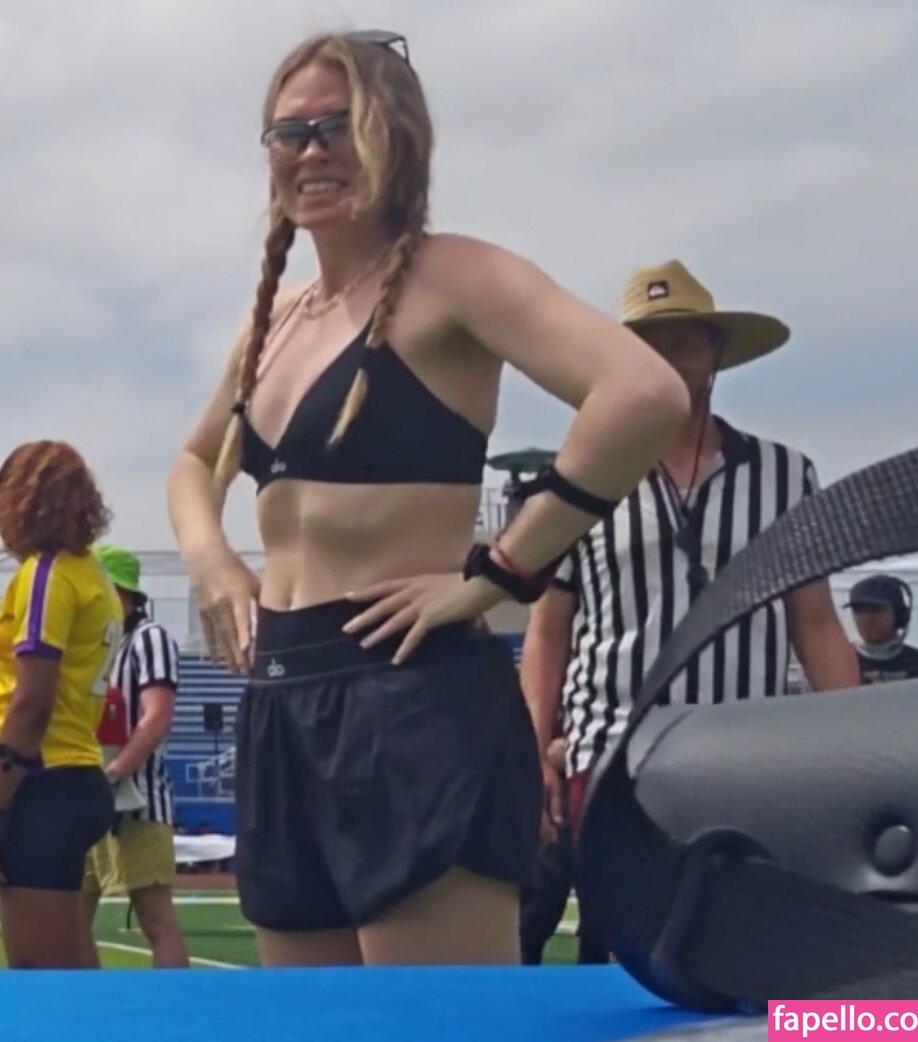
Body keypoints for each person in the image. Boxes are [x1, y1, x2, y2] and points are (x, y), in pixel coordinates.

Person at [166, 29, 691, 967]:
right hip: (281, 703)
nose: (312, 151)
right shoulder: (276, 319)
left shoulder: (454, 276)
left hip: (411, 700)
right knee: (310, 1029)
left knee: (433, 1022)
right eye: (290, 133)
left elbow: (642, 393)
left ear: (397, 138)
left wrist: (499, 572)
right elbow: (192, 461)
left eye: (339, 126)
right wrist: (212, 560)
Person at [520, 258, 861, 961]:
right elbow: (548, 630)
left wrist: (852, 749)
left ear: (715, 351)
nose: (667, 359)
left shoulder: (782, 474)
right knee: (616, 949)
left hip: (744, 752)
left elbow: (814, 621)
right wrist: (532, 751)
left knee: (741, 942)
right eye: (647, 345)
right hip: (610, 750)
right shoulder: (578, 475)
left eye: (683, 341)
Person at [0, 440, 123, 969]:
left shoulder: (47, 573)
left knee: (40, 985)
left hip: (40, 782)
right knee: (73, 976)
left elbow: (32, 702)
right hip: (70, 775)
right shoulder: (91, 573)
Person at [83, 544, 190, 969]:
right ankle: (83, 1002)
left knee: (154, 917)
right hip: (87, 794)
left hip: (138, 799)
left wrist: (114, 773)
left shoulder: (150, 638)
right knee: (69, 917)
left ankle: (172, 1001)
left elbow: (157, 716)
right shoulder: (97, 644)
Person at [846, 573, 918, 683]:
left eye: (876, 610)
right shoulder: (840, 666)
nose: (866, 619)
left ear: (899, 615)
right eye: (859, 610)